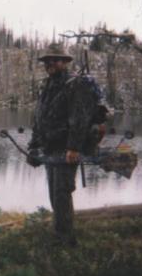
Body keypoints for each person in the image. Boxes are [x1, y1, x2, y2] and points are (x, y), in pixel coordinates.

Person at [28, 43, 106, 246]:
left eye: (54, 60)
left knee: (62, 193)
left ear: (64, 62)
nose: (49, 64)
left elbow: (79, 118)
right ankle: (60, 236)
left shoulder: (76, 85)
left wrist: (74, 147)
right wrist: (33, 147)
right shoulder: (48, 86)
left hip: (66, 150)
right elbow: (39, 119)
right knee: (55, 193)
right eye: (46, 61)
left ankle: (66, 241)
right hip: (50, 149)